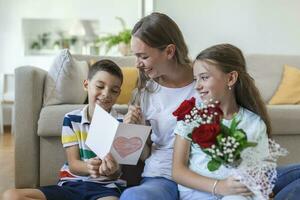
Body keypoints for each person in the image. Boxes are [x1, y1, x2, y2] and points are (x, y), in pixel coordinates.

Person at [2, 59, 126, 200]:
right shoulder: (71, 119)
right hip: (70, 186)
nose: (106, 94)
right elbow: (73, 164)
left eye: (114, 90)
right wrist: (89, 167)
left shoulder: (121, 122)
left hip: (105, 189)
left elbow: (117, 172)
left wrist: (111, 170)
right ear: (86, 85)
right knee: (10, 196)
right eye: (100, 86)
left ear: (118, 93)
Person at [172, 43, 273, 200]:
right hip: (200, 195)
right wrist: (220, 186)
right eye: (195, 79)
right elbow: (178, 171)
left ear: (231, 78)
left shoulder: (254, 123)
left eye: (204, 78)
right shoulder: (192, 116)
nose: (197, 86)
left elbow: (259, 171)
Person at [119, 12, 198, 200]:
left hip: (204, 175)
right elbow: (140, 155)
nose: (137, 64)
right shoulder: (145, 92)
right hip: (161, 178)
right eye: (135, 56)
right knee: (134, 197)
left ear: (169, 51)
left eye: (143, 56)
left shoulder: (204, 82)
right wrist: (133, 130)